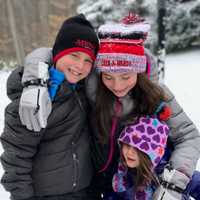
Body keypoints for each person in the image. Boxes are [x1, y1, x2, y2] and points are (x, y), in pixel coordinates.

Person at [5, 13, 200, 199]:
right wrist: (34, 81)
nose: (117, 86)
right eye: (108, 77)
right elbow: (52, 53)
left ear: (139, 72)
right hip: (102, 188)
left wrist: (173, 183)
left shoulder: (156, 96)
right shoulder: (91, 85)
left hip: (142, 184)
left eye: (126, 77)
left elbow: (188, 136)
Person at [0, 14, 99, 200]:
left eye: (88, 60)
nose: (80, 65)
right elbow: (16, 159)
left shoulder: (83, 89)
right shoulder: (33, 98)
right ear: (59, 53)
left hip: (84, 192)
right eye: (74, 55)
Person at [103, 113, 170, 200]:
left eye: (137, 149)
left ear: (152, 154)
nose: (130, 152)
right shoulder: (122, 174)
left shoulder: (169, 173)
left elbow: (192, 184)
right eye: (127, 145)